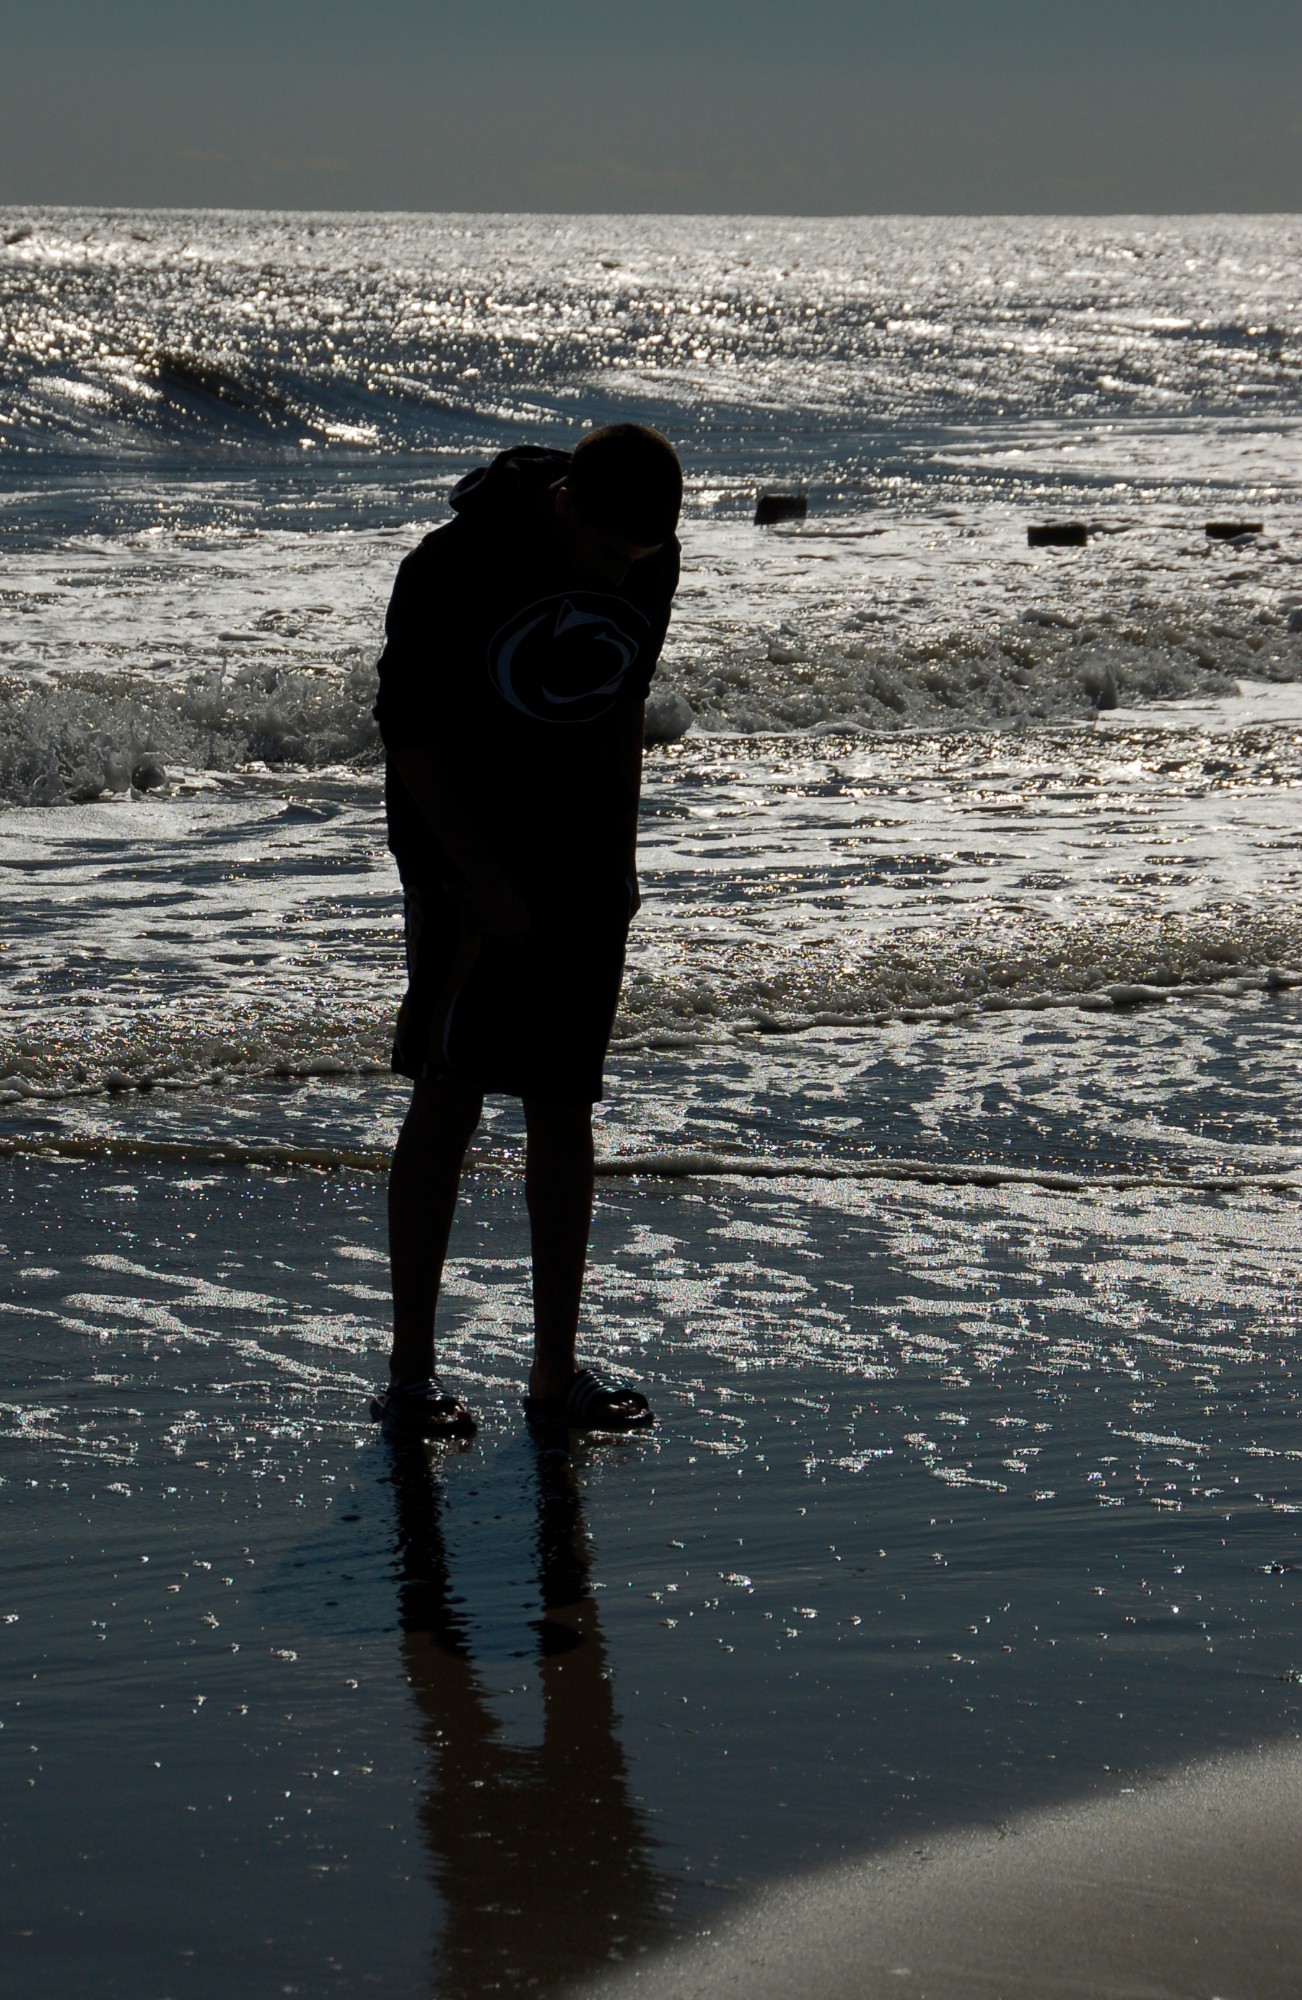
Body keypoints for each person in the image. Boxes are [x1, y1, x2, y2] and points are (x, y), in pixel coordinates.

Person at [371, 423, 683, 1440]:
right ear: (565, 507)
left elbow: (621, 703)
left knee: (563, 1099)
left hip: (578, 852)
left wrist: (622, 858)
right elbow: (409, 737)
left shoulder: (649, 550)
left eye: (631, 563)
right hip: (462, 850)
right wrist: (477, 876)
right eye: (601, 555)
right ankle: (411, 1375)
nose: (615, 575)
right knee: (449, 1096)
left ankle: (556, 1371)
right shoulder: (454, 565)